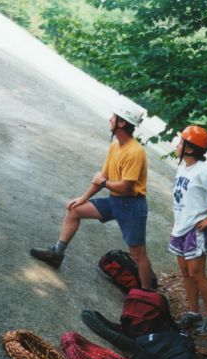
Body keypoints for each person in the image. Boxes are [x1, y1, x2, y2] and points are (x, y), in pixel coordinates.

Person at [30, 99, 155, 290]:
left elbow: (126, 187)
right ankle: (57, 253)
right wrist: (83, 198)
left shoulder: (135, 152)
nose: (110, 119)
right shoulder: (116, 145)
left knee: (138, 254)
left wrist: (103, 183)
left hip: (132, 206)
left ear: (122, 123)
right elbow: (103, 176)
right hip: (115, 200)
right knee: (74, 210)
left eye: (114, 117)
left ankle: (147, 296)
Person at [170, 126, 207, 335]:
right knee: (185, 272)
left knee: (197, 273)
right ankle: (193, 313)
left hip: (196, 229)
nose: (177, 146)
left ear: (189, 148)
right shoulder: (182, 168)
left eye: (180, 142)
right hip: (180, 228)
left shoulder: (204, 171)